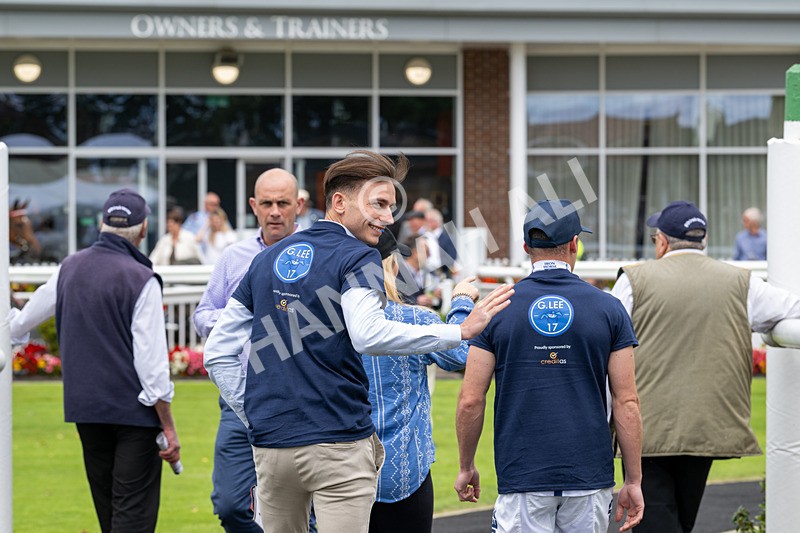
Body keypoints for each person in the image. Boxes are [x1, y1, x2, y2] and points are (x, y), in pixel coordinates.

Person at [203, 149, 513, 533]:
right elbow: (367, 333)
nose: (389, 218)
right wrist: (459, 330)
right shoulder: (358, 255)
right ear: (339, 202)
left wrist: (254, 414)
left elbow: (217, 353)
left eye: (391, 207)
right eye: (379, 204)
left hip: (272, 447)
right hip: (339, 446)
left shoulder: (266, 258)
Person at [456, 199, 644, 533]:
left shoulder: (494, 309)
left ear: (526, 248)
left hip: (523, 474)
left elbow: (471, 399)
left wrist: (466, 465)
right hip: (588, 475)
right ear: (574, 244)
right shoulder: (609, 308)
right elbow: (626, 401)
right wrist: (633, 480)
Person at [611, 200, 800, 532]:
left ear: (662, 241)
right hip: (708, 427)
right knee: (681, 520)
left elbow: (606, 336)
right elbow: (791, 308)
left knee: (656, 520)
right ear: (704, 240)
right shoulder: (741, 282)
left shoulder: (634, 280)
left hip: (647, 426)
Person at [9, 188, 180, 533]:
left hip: (86, 411)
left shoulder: (68, 267)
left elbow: (19, 324)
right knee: (132, 518)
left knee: (110, 516)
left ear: (102, 224)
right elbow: (152, 366)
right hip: (134, 415)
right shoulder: (142, 279)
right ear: (143, 229)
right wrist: (168, 425)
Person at [193, 168, 311, 532]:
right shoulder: (234, 257)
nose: (274, 211)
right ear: (253, 206)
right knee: (230, 504)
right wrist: (244, 320)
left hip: (304, 397)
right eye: (267, 203)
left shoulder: (318, 255)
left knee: (309, 511)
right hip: (241, 395)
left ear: (299, 205)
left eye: (283, 203)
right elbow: (203, 315)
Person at [364, 230, 480, 533]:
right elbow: (461, 355)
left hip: (341, 474)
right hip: (405, 474)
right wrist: (462, 302)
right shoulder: (413, 319)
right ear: (391, 266)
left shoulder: (327, 323)